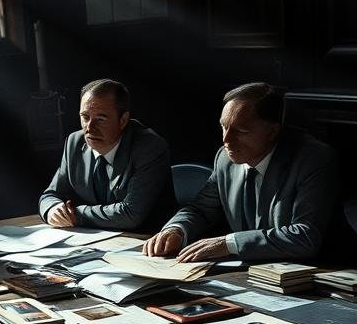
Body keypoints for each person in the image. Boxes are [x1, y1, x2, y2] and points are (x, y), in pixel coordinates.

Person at [143, 82, 339, 262]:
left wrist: (229, 244)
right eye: (224, 127)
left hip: (307, 275)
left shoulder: (312, 159)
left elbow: (305, 236)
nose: (226, 140)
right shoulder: (225, 159)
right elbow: (201, 209)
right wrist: (176, 229)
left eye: (241, 131)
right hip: (247, 276)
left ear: (272, 131)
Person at [39, 79, 172, 232]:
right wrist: (53, 209)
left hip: (148, 242)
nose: (89, 128)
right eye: (85, 117)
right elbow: (50, 195)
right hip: (96, 240)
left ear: (123, 120)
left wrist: (76, 214)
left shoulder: (149, 147)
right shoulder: (74, 142)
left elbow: (130, 214)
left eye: (100, 119)